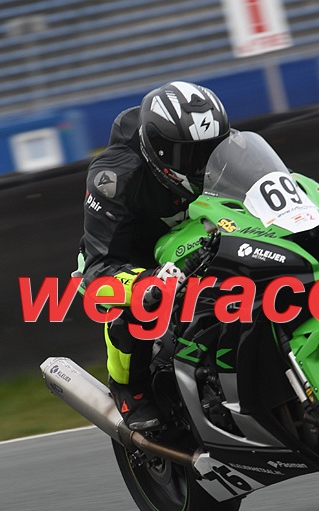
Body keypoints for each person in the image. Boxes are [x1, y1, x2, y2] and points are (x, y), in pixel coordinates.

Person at [75, 81, 231, 431]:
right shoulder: (112, 177)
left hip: (197, 234)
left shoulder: (226, 147)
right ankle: (130, 388)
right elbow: (98, 269)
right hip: (129, 256)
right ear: (158, 150)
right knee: (140, 301)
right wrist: (145, 281)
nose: (201, 164)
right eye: (189, 156)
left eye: (210, 151)